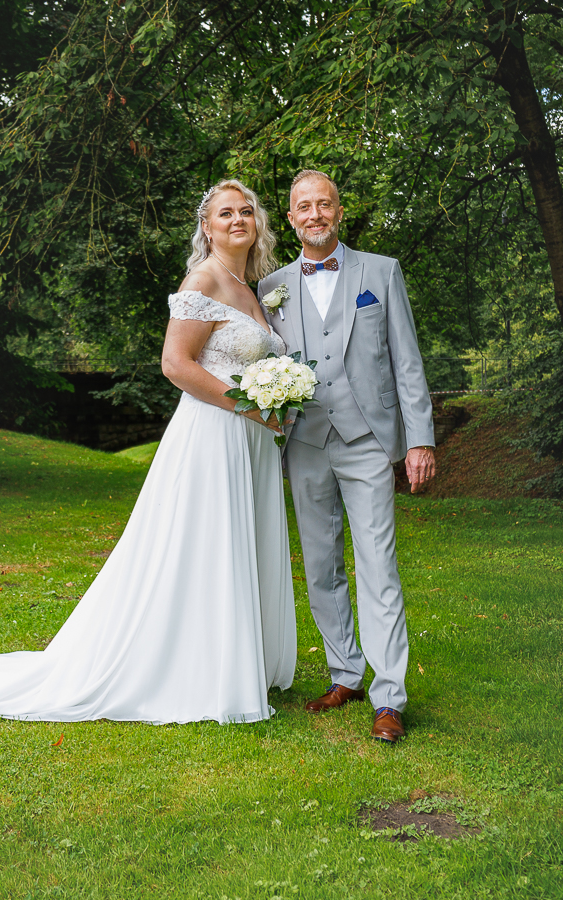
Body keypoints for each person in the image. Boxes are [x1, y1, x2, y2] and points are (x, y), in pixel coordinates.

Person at [0, 179, 297, 725]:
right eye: (225, 213)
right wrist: (249, 407)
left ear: (258, 223)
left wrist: (276, 399)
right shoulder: (204, 279)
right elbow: (176, 365)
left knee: (238, 540)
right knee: (203, 544)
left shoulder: (253, 287)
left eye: (246, 211)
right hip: (214, 436)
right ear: (207, 226)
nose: (237, 220)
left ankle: (235, 658)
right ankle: (198, 670)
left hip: (249, 439)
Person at [258, 169, 435, 744]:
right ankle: (345, 674)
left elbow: (406, 360)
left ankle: (389, 697)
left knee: (377, 565)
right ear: (290, 219)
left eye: (324, 205)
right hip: (305, 443)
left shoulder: (380, 272)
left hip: (366, 443)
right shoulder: (271, 288)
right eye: (303, 207)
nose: (315, 215)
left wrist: (420, 439)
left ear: (339, 210)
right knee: (321, 566)